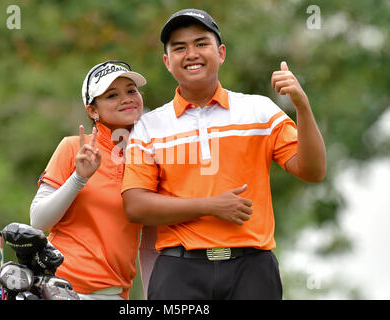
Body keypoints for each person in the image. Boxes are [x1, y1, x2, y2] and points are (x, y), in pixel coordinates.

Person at [122, 9, 326, 299]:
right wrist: (210, 206)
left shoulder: (259, 110)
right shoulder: (149, 126)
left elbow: (312, 170)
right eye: (179, 48)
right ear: (168, 62)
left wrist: (302, 106)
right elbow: (135, 206)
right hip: (180, 272)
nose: (191, 53)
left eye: (201, 44)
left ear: (221, 53)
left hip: (253, 269)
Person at [30, 60, 147, 300]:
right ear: (93, 111)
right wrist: (79, 178)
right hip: (60, 287)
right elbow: (38, 220)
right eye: (112, 95)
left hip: (114, 293)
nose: (126, 99)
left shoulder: (148, 157)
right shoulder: (74, 147)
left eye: (131, 91)